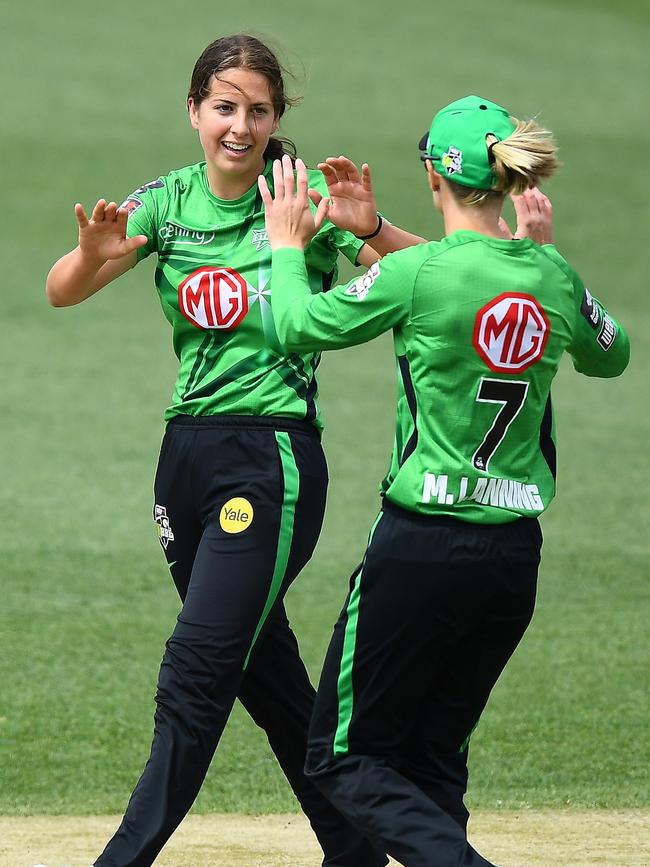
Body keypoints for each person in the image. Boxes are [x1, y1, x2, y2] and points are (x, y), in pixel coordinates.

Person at [45, 33, 390, 867]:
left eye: (258, 109)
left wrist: (369, 228)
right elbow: (61, 289)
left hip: (269, 459)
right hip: (184, 460)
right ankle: (354, 842)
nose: (241, 125)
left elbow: (422, 278)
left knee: (196, 668)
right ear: (194, 110)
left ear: (277, 118)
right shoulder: (167, 200)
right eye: (225, 106)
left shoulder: (298, 198)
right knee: (264, 674)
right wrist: (94, 254)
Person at [258, 95, 630, 867]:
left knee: (341, 757)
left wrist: (289, 245)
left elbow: (292, 325)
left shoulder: (423, 274)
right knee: (431, 761)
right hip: (511, 563)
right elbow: (613, 350)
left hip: (420, 550)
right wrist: (532, 254)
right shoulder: (548, 274)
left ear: (434, 174)